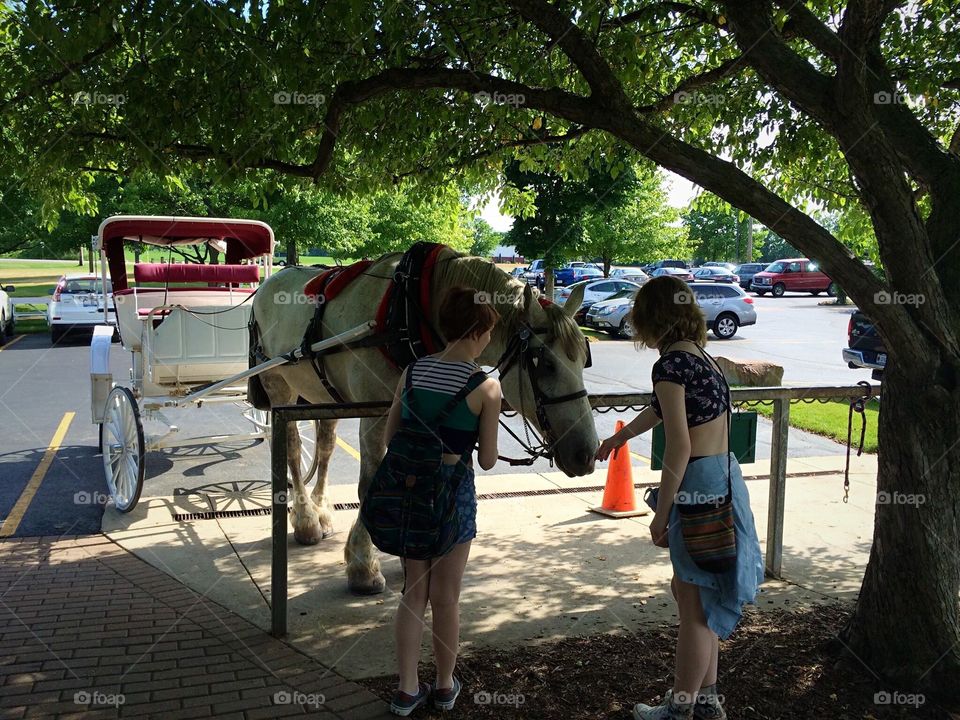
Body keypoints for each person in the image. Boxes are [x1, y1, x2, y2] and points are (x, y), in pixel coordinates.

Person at [596, 276, 763, 720]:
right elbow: (661, 409)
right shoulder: (699, 358)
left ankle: (681, 708)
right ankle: (707, 701)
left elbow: (678, 445)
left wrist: (661, 514)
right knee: (699, 594)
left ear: (650, 319)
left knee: (693, 605)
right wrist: (621, 439)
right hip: (725, 476)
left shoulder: (668, 366)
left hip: (697, 483)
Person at [383, 286, 502, 716]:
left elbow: (388, 437)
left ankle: (406, 689)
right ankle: (446, 684)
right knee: (446, 596)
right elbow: (487, 460)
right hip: (453, 491)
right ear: (477, 329)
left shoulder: (412, 372)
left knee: (413, 592)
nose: (490, 339)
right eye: (488, 330)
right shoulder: (486, 386)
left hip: (412, 490)